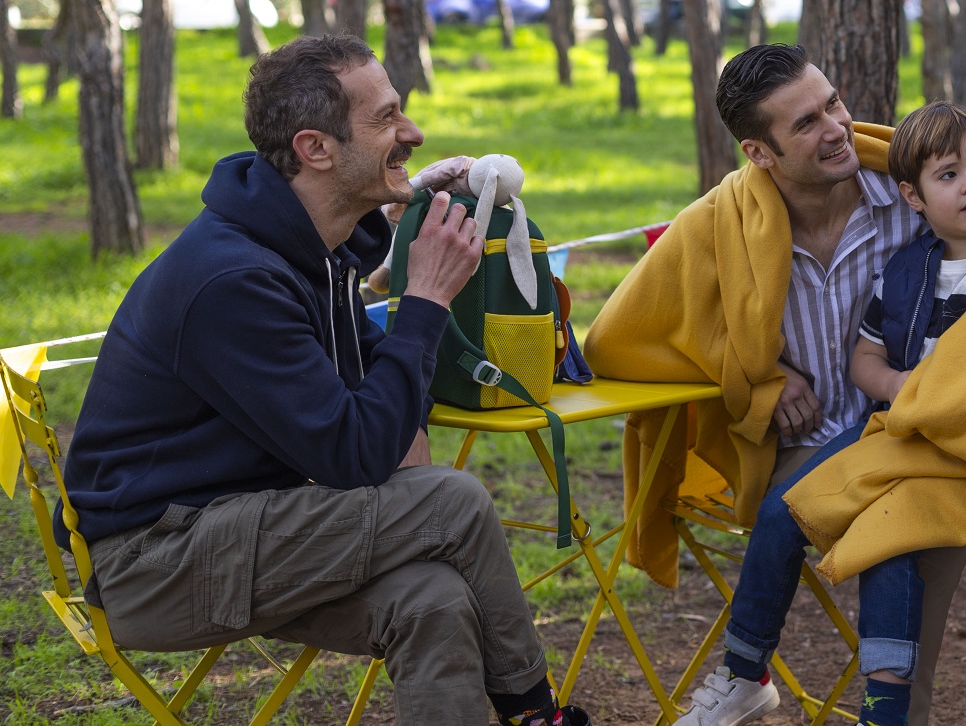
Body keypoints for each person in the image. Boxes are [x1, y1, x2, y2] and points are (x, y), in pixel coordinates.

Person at [56, 35, 586, 726]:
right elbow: (357, 455)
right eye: (386, 117)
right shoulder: (235, 281)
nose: (413, 134)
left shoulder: (308, 252)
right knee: (452, 502)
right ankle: (537, 714)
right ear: (315, 148)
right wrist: (425, 300)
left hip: (241, 531)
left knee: (434, 598)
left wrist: (400, 223)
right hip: (156, 562)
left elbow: (378, 403)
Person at [590, 44, 966, 726]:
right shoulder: (725, 222)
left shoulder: (911, 188)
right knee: (911, 524)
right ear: (760, 152)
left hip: (937, 425)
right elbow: (614, 338)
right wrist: (759, 379)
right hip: (818, 448)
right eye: (806, 123)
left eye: (833, 103)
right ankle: (888, 712)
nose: (837, 128)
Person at [841, 101, 966, 726]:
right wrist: (900, 386)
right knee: (916, 626)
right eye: (947, 175)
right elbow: (864, 358)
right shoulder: (903, 273)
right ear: (913, 196)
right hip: (928, 475)